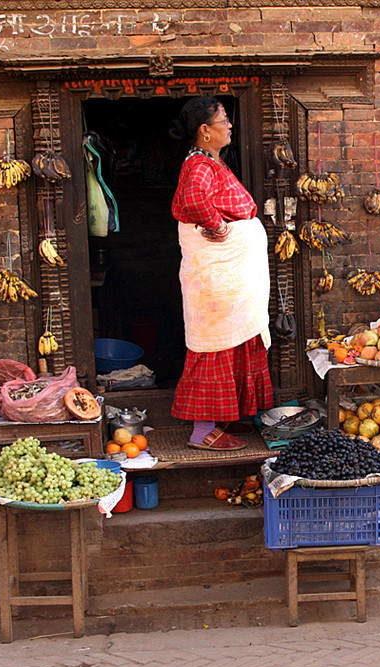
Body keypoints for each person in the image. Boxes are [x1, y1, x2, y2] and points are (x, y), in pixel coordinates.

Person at [169, 96, 273, 451]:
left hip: (232, 277)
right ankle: (202, 430)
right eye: (223, 120)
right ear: (205, 131)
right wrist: (216, 225)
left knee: (235, 340)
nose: (229, 126)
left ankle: (225, 416)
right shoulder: (198, 166)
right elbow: (194, 201)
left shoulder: (212, 161)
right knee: (214, 344)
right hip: (217, 277)